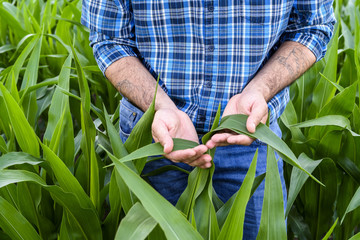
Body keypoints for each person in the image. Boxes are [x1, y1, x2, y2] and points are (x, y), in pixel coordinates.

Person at [81, 0, 335, 238]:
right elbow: (110, 38)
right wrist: (161, 106)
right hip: (155, 136)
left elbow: (312, 25)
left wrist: (260, 90)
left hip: (251, 136)